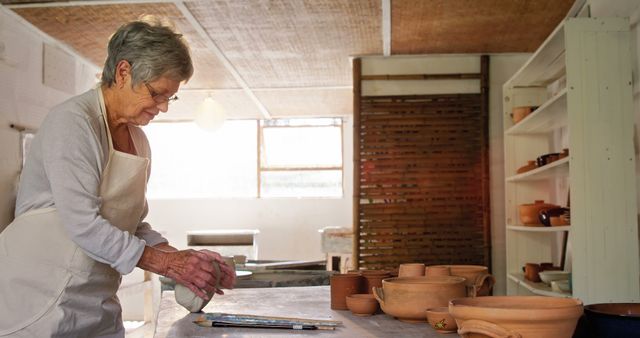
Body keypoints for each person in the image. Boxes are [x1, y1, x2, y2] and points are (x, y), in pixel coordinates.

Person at [0, 16, 235, 337]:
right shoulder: (72, 123)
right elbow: (82, 222)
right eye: (157, 93)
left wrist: (187, 262)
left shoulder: (138, 140)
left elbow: (133, 225)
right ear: (124, 72)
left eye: (170, 97)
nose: (163, 107)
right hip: (38, 297)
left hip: (95, 300)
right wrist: (167, 265)